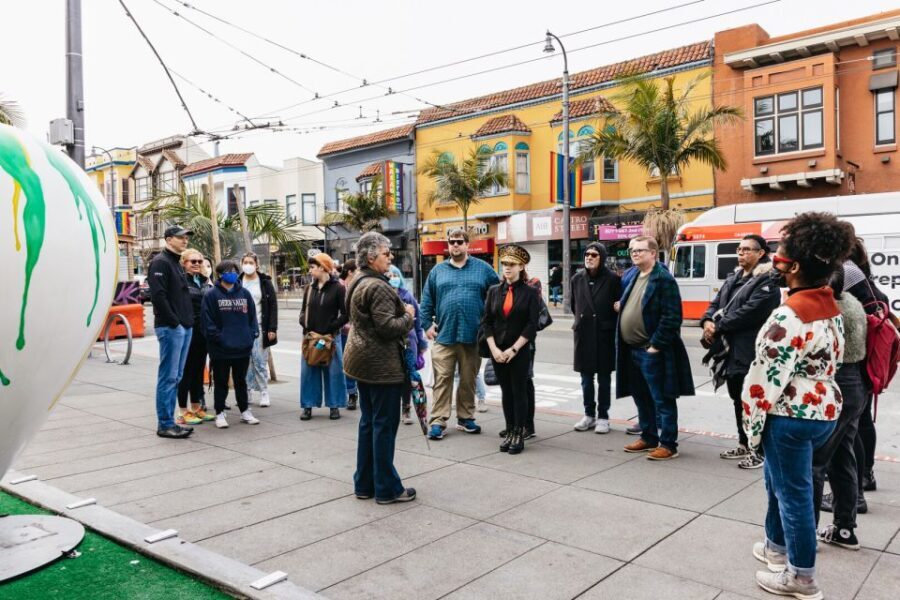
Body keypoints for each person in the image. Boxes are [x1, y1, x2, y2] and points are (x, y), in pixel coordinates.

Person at [741, 212, 854, 600]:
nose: (775, 259)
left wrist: (752, 429)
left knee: (793, 495)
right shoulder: (830, 306)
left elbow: (764, 379)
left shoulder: (789, 314)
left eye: (780, 254)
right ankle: (776, 548)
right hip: (823, 409)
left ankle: (801, 577)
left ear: (796, 266)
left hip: (790, 415)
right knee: (780, 484)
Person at [344, 232, 417, 504]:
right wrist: (408, 315)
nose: (391, 257)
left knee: (369, 424)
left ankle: (364, 484)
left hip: (362, 361)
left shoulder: (357, 280)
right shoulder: (377, 286)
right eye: (387, 253)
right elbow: (389, 328)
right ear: (371, 257)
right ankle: (387, 488)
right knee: (383, 426)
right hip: (381, 366)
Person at [701, 234, 780, 469]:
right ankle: (745, 443)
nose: (741, 253)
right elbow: (715, 304)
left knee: (754, 402)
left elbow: (750, 311)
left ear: (761, 253)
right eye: (739, 249)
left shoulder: (767, 281)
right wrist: (706, 321)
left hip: (751, 352)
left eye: (747, 249)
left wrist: (718, 326)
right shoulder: (733, 277)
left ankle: (761, 451)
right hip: (731, 352)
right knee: (738, 399)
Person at [616, 236, 694, 460]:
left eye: (640, 250)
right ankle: (649, 437)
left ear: (653, 253)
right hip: (632, 349)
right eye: (632, 250)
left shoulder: (663, 279)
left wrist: (655, 346)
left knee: (662, 400)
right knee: (641, 397)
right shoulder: (633, 275)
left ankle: (668, 444)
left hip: (651, 351)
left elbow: (672, 317)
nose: (635, 253)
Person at [420, 228, 499, 440]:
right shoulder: (438, 271)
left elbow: (497, 296)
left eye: (459, 242)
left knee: (468, 380)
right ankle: (438, 421)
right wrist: (427, 324)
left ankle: (465, 418)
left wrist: (491, 325)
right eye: (452, 242)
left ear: (467, 244)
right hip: (444, 336)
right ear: (448, 245)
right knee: (442, 379)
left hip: (473, 336)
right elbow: (426, 301)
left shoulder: (483, 269)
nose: (455, 245)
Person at [813, 266, 868, 551]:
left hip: (837, 385)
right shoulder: (853, 303)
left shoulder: (829, 308)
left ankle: (804, 533)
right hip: (856, 384)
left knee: (815, 462)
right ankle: (845, 529)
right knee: (842, 456)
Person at [481, 245, 540, 455]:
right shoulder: (494, 291)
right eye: (504, 264)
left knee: (519, 391)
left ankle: (519, 431)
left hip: (519, 351)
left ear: (521, 266)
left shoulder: (531, 293)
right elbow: (486, 322)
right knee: (506, 392)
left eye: (512, 264)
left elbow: (532, 325)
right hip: (498, 350)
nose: (507, 268)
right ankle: (509, 428)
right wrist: (494, 349)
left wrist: (514, 350)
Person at [148, 226, 196, 439]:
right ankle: (165, 424)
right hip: (171, 328)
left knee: (176, 376)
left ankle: (170, 421)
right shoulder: (160, 262)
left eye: (186, 237)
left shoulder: (175, 263)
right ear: (168, 239)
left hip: (184, 326)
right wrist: (175, 322)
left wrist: (186, 323)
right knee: (168, 376)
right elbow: (158, 296)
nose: (185, 240)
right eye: (181, 237)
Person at [201, 260, 261, 429]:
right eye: (229, 271)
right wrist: (219, 338)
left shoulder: (244, 294)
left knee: (241, 381)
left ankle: (245, 411)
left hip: (242, 347)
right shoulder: (211, 295)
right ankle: (219, 412)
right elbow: (208, 322)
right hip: (220, 349)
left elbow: (252, 319)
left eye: (235, 270)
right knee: (220, 381)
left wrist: (250, 336)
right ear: (220, 274)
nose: (233, 273)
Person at [571, 242, 622, 435]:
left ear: (601, 257)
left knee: (603, 379)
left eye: (594, 255)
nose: (589, 257)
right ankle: (588, 414)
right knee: (585, 379)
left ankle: (603, 416)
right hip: (583, 334)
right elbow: (576, 305)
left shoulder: (613, 280)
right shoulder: (577, 278)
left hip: (603, 335)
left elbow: (617, 308)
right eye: (587, 254)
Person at [299, 253, 348, 420]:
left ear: (322, 267)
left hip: (330, 338)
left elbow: (345, 314)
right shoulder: (309, 288)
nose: (310, 271)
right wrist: (304, 323)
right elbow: (304, 311)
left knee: (333, 372)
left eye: (313, 267)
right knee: (308, 372)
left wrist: (331, 328)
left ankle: (334, 406)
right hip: (311, 338)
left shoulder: (338, 288)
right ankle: (308, 406)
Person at [176, 248, 214, 425]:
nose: (197, 264)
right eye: (193, 261)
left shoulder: (205, 281)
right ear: (184, 263)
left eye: (199, 261)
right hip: (187, 331)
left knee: (199, 370)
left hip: (203, 332)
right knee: (185, 372)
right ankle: (183, 411)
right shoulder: (180, 281)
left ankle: (197, 407)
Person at [387, 265, 428, 425]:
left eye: (394, 275)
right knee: (392, 377)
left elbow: (418, 323)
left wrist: (422, 343)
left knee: (407, 377)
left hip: (409, 343)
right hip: (390, 343)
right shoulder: (383, 297)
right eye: (389, 275)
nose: (392, 278)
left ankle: (406, 408)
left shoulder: (408, 296)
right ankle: (393, 409)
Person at [240, 253, 278, 408]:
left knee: (260, 360)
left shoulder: (264, 282)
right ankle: (247, 390)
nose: (248, 265)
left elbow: (273, 306)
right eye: (245, 262)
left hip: (261, 326)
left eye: (251, 262)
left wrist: (272, 328)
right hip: (242, 328)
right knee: (245, 361)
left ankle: (263, 391)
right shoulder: (237, 281)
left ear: (256, 265)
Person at [340, 259, 359, 410]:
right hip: (343, 330)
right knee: (347, 362)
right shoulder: (340, 286)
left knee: (356, 362)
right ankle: (351, 393)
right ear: (350, 271)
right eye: (357, 270)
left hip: (358, 330)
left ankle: (354, 392)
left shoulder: (358, 285)